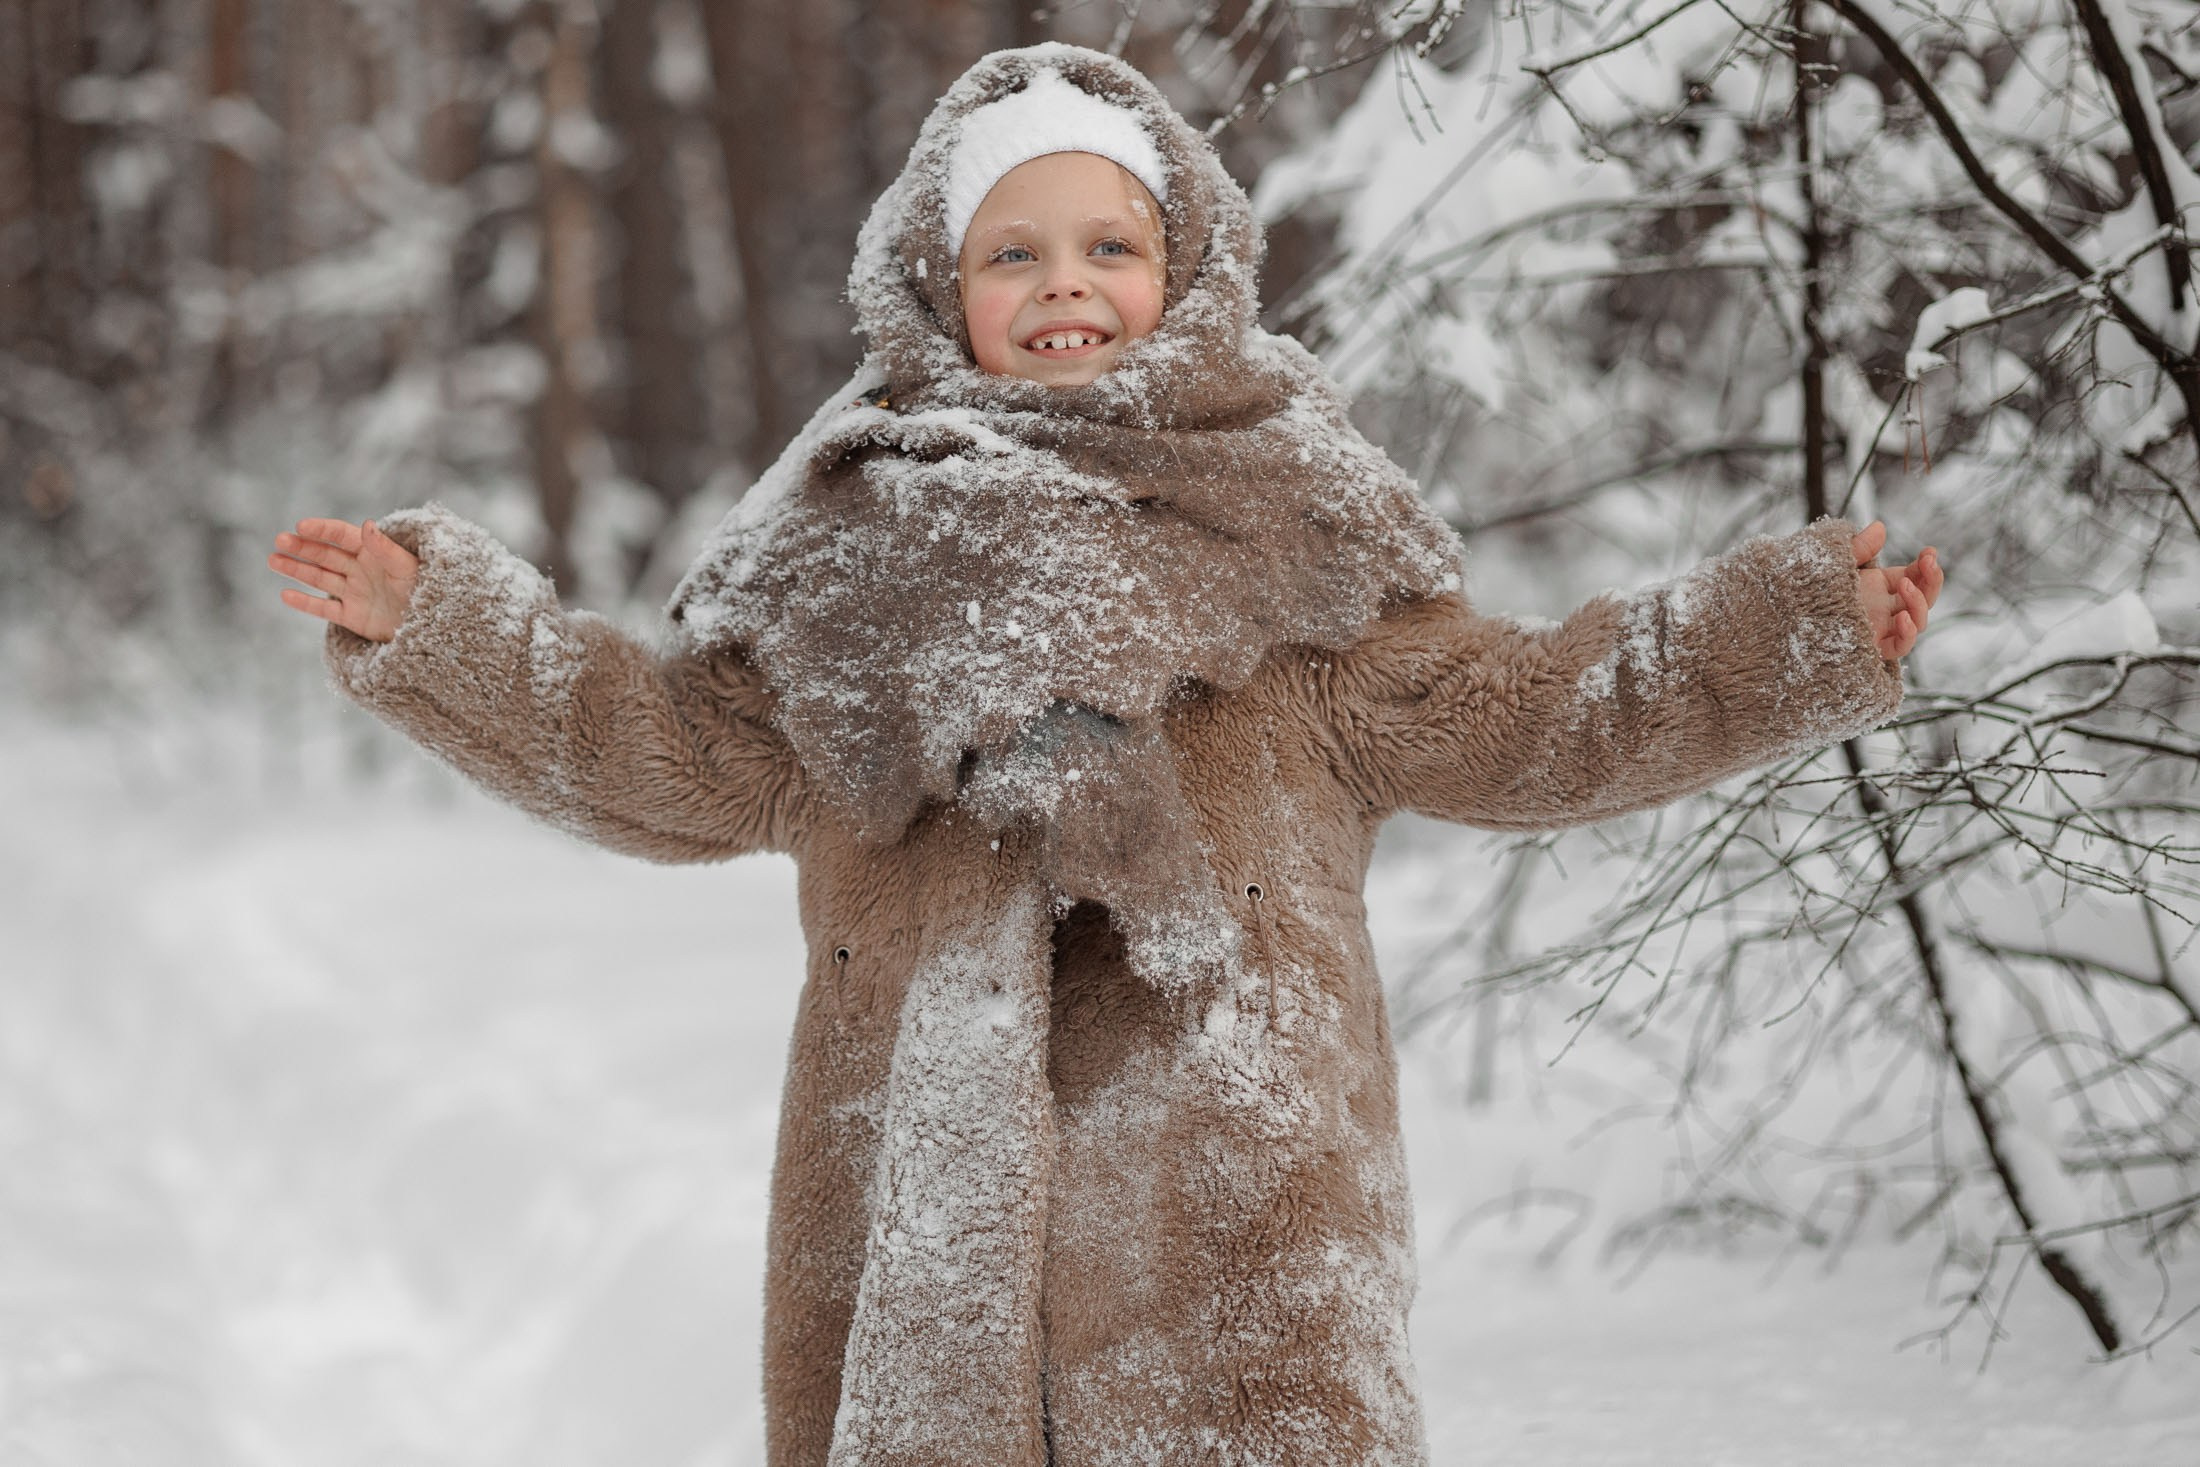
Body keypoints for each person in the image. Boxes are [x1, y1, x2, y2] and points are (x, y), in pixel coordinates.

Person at [269, 44, 1940, 1467]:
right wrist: (448, 630)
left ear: (1187, 262)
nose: (1065, 285)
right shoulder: (848, 554)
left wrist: (1784, 634)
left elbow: (1530, 715)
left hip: (1243, 1214)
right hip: (929, 1231)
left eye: (1108, 244)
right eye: (1012, 255)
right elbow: (656, 751)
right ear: (934, 286)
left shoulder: (1301, 534)